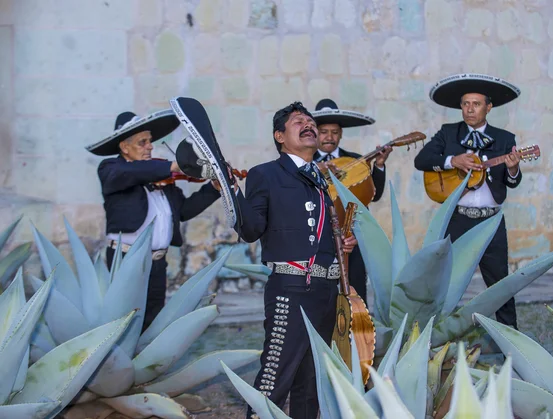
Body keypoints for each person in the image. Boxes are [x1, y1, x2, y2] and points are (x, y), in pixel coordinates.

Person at [175, 100, 357, 419]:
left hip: (326, 293)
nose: (307, 124)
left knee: (312, 382)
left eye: (309, 120)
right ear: (280, 136)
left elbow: (311, 232)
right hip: (291, 289)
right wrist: (231, 191)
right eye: (297, 121)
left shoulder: (320, 179)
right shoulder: (265, 174)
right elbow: (252, 228)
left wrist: (340, 244)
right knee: (275, 380)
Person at [86, 110, 220, 331]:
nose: (150, 146)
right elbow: (131, 174)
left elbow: (183, 211)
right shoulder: (111, 169)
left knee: (153, 318)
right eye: (142, 142)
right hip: (126, 259)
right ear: (124, 147)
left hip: (158, 262)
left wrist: (213, 189)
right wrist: (174, 165)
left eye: (150, 141)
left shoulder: (161, 178)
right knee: (123, 320)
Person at [414, 73, 522, 329]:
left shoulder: (505, 139)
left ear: (488, 107)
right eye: (465, 104)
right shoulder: (449, 133)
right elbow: (421, 160)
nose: (470, 109)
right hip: (458, 218)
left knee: (500, 283)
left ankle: (510, 338)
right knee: (446, 281)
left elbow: (513, 181)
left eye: (476, 104)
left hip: (491, 221)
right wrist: (453, 160)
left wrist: (514, 169)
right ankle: (436, 337)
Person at [311, 98, 392, 303]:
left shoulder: (355, 160)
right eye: (324, 131)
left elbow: (374, 195)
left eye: (335, 132)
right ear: (315, 133)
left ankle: (357, 331)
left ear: (341, 134)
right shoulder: (304, 162)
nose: (329, 137)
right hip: (317, 237)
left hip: (350, 237)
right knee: (319, 293)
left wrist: (379, 166)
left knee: (355, 291)